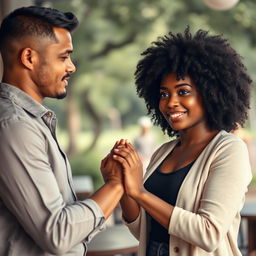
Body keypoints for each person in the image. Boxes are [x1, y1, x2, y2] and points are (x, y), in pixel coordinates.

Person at [104, 27, 252, 255]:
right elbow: (143, 229)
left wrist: (140, 192)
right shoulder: (164, 152)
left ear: (210, 92)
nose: (170, 102)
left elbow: (209, 232)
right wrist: (123, 185)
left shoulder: (229, 150)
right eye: (164, 94)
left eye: (183, 92)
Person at [0, 6, 123, 256]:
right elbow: (58, 234)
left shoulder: (32, 121)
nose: (72, 67)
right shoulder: (16, 127)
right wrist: (117, 185)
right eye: (63, 57)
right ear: (29, 58)